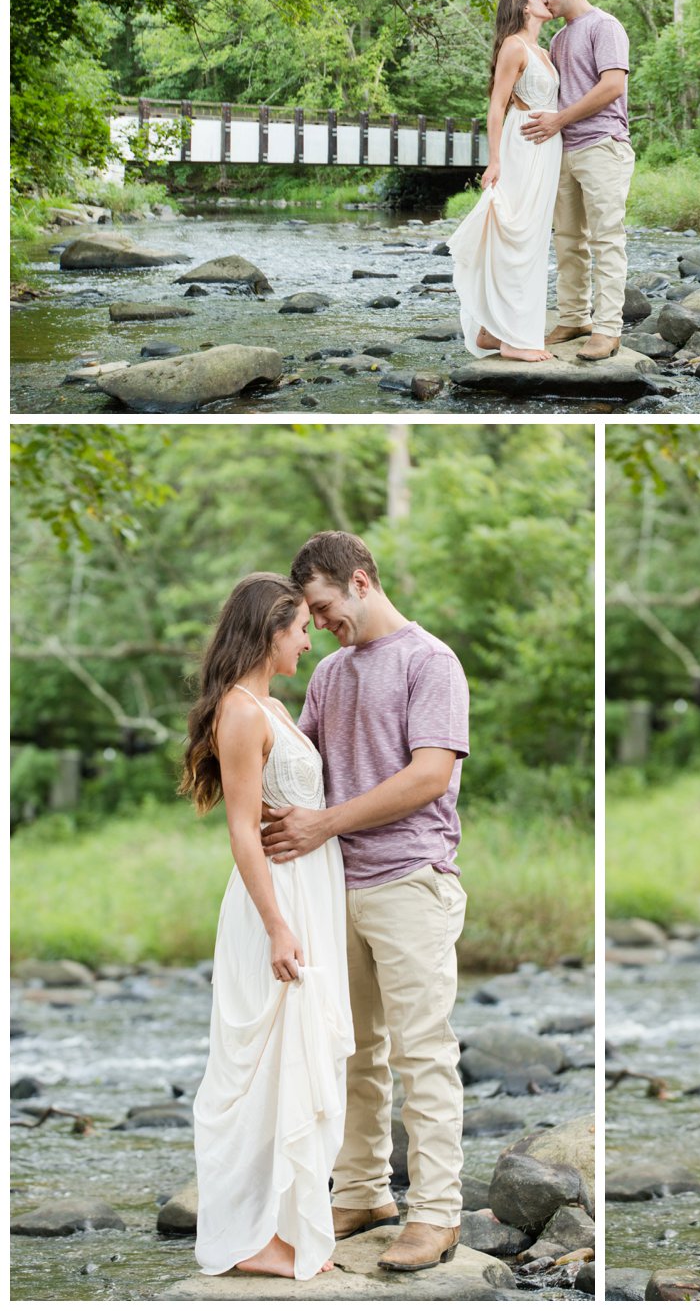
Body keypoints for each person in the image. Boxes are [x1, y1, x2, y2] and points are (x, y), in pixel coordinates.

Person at [261, 531, 469, 1274]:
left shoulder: (429, 661)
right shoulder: (331, 676)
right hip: (334, 889)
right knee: (352, 1053)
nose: (318, 626)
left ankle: (438, 1214)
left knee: (423, 1053)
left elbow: (428, 777)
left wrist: (322, 824)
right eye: (309, 618)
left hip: (410, 879)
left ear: (358, 581)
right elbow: (304, 769)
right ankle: (362, 1191)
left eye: (322, 608)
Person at [181, 573, 354, 1282]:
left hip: (309, 890)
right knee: (258, 1068)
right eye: (300, 627)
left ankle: (283, 1221)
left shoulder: (272, 706)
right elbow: (244, 834)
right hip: (274, 902)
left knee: (300, 1056)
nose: (309, 637)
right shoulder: (242, 713)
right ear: (269, 632)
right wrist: (278, 926)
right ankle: (246, 1237)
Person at [521, 0, 635, 361]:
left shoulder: (605, 26)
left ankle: (607, 329)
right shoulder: (558, 40)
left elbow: (612, 86)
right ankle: (573, 317)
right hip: (564, 151)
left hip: (602, 144)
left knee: (606, 238)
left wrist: (560, 120)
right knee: (568, 240)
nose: (544, 1)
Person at [449, 0, 560, 362]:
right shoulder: (514, 45)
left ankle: (492, 331)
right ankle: (512, 338)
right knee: (517, 232)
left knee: (534, 237)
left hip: (547, 149)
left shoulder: (543, 52)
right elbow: (496, 106)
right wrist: (494, 160)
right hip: (521, 144)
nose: (544, 0)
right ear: (522, 9)